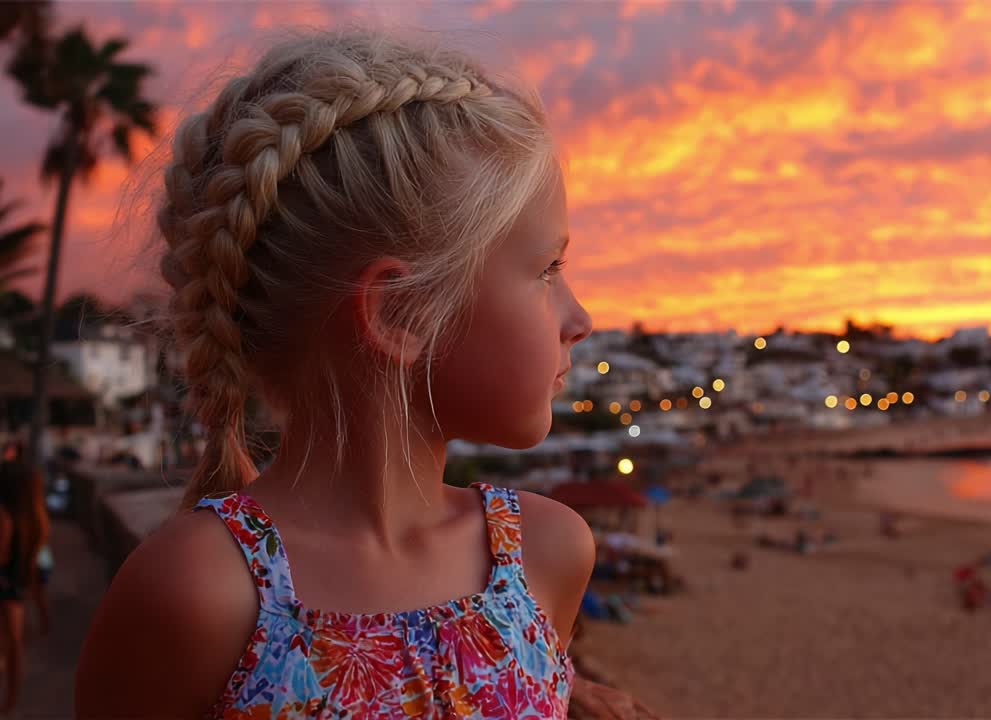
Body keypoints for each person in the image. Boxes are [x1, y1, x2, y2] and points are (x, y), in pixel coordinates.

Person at [76, 31, 600, 718]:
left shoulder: (548, 554)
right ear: (399, 313)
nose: (580, 316)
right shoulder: (196, 594)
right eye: (548, 271)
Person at [0, 454, 50, 712]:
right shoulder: (31, 514)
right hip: (16, 583)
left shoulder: (6, 517)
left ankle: (9, 701)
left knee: (12, 642)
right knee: (14, 642)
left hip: (6, 585)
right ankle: (10, 699)